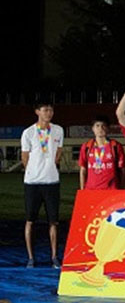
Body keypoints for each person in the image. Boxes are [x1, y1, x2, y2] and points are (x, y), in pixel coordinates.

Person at [20, 102, 63, 268]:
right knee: (30, 220)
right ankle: (31, 258)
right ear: (37, 111)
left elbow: (58, 153)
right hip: (32, 182)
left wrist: (49, 167)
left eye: (51, 110)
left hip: (52, 181)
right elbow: (25, 157)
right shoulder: (28, 132)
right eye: (45, 110)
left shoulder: (58, 130)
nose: (49, 113)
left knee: (53, 221)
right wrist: (34, 171)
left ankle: (54, 257)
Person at [79, 116, 125, 190]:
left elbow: (122, 170)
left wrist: (121, 188)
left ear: (108, 128)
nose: (100, 128)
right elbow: (83, 170)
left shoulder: (115, 146)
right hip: (91, 190)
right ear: (93, 128)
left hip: (111, 190)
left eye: (103, 125)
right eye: (97, 126)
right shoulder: (86, 147)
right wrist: (82, 190)